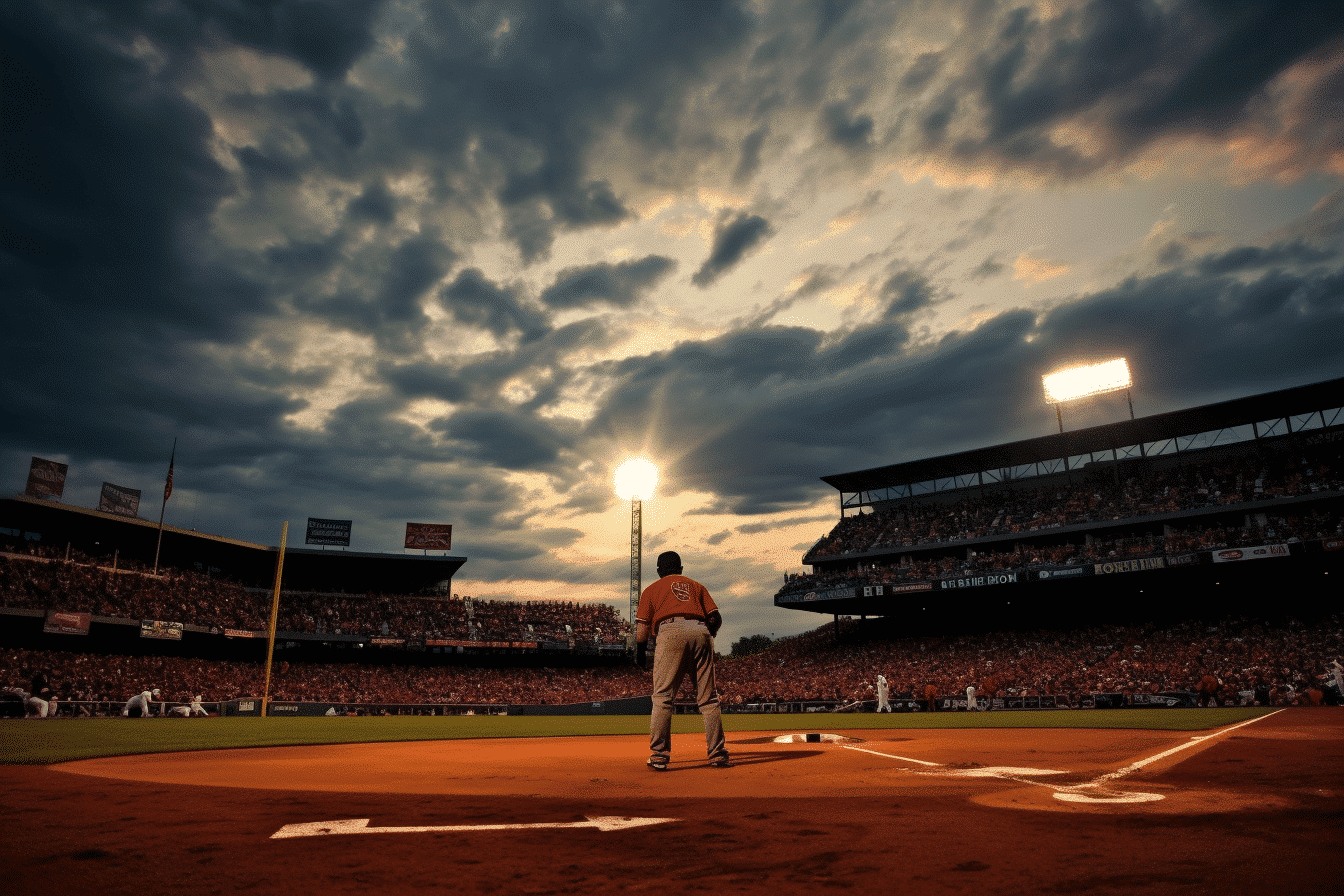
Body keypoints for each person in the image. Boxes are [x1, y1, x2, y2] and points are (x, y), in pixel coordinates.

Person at [635, 551, 730, 770]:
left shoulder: (652, 589)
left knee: (663, 698)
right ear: (681, 569)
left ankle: (659, 757)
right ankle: (717, 755)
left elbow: (642, 628)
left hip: (670, 631)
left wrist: (640, 653)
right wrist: (707, 635)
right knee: (708, 700)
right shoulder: (697, 586)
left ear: (659, 570)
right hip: (700, 630)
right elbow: (716, 618)